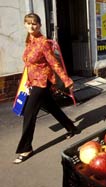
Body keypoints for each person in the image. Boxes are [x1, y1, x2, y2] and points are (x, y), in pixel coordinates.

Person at [13, 13, 79, 164]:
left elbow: (54, 63)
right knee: (52, 107)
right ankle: (71, 128)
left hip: (42, 83)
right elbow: (30, 64)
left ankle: (26, 148)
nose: (31, 26)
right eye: (28, 23)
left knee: (29, 114)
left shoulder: (43, 43)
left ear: (40, 25)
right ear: (24, 25)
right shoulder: (29, 41)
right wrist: (27, 81)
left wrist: (66, 80)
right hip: (33, 82)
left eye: (34, 23)